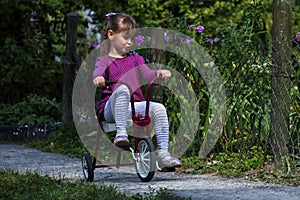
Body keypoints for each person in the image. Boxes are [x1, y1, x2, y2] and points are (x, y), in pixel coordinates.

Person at [92, 13, 181, 168]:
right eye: (126, 37)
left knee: (159, 108)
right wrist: (98, 78)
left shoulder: (136, 59)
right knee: (122, 88)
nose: (129, 42)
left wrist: (158, 74)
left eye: (132, 39)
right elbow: (98, 72)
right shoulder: (104, 60)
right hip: (110, 108)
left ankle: (163, 153)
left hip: (134, 106)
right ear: (111, 35)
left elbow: (147, 74)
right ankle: (121, 133)